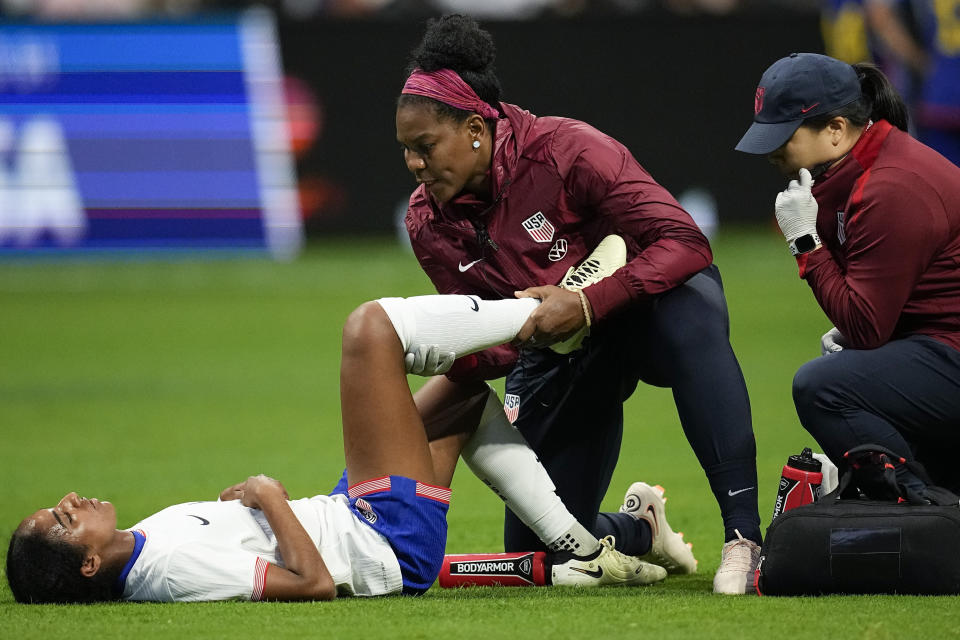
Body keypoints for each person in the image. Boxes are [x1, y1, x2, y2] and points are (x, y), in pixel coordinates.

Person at [6, 284, 684, 604]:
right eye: (63, 522)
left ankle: (625, 535)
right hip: (380, 535)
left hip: (357, 516)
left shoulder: (145, 544)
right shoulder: (167, 574)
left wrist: (273, 506)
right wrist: (270, 496)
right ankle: (555, 308)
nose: (69, 502)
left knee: (468, 386)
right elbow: (314, 585)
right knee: (370, 332)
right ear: (88, 565)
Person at [395, 14, 762, 594]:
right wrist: (442, 358)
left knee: (694, 314)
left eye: (424, 147)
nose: (414, 165)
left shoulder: (568, 151)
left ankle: (745, 538)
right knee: (536, 555)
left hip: (645, 314)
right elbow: (487, 354)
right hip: (555, 355)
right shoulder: (428, 223)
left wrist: (586, 304)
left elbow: (686, 242)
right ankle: (639, 529)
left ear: (473, 129)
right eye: (406, 151)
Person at [735, 52, 960, 497]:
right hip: (940, 348)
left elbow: (864, 327)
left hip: (948, 350)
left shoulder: (891, 187)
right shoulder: (864, 172)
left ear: (837, 129)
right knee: (846, 373)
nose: (772, 151)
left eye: (784, 135)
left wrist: (804, 242)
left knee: (822, 387)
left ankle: (924, 509)